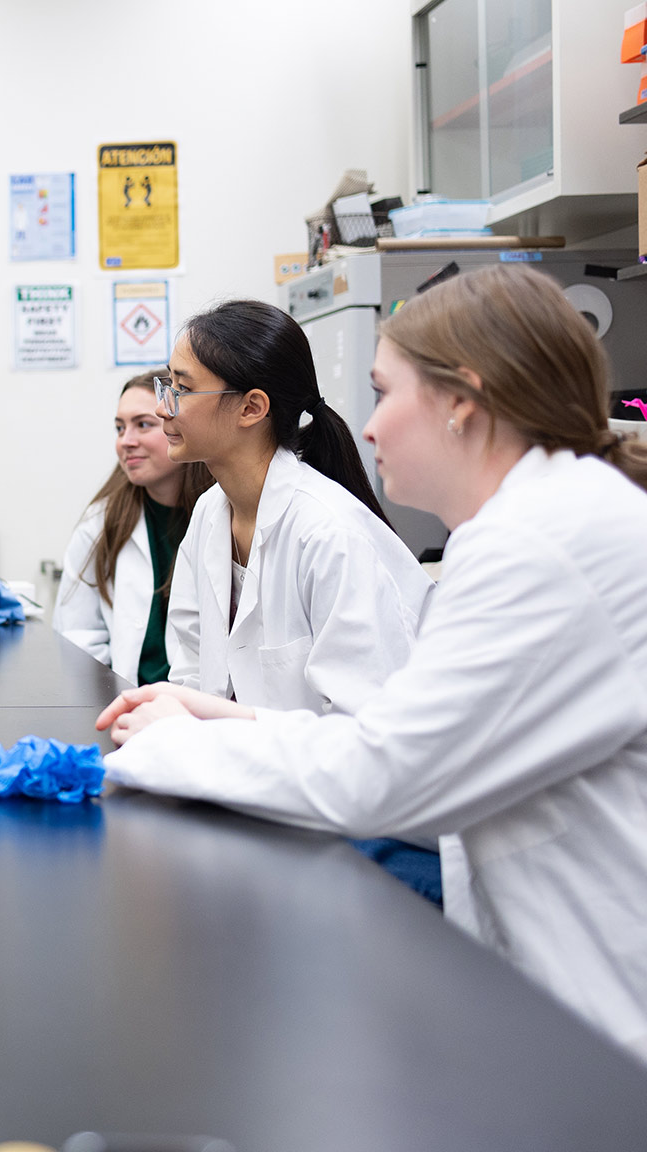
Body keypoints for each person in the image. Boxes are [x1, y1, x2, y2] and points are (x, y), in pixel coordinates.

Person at [97, 265, 647, 1062]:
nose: (371, 425)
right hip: (554, 966)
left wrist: (183, 746)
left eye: (386, 393)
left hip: (602, 1005)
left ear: (462, 400)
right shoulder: (536, 523)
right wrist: (207, 716)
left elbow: (380, 773)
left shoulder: (534, 545)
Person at [155, 299, 431, 714]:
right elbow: (191, 672)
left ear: (251, 408)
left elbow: (366, 726)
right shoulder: (211, 513)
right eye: (168, 385)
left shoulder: (328, 533)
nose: (163, 406)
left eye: (183, 389)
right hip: (243, 767)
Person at [55, 371, 214, 685]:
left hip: (205, 713)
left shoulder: (224, 517)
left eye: (143, 424)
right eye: (119, 428)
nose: (126, 441)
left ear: (180, 427)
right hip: (127, 710)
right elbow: (77, 637)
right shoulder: (100, 523)